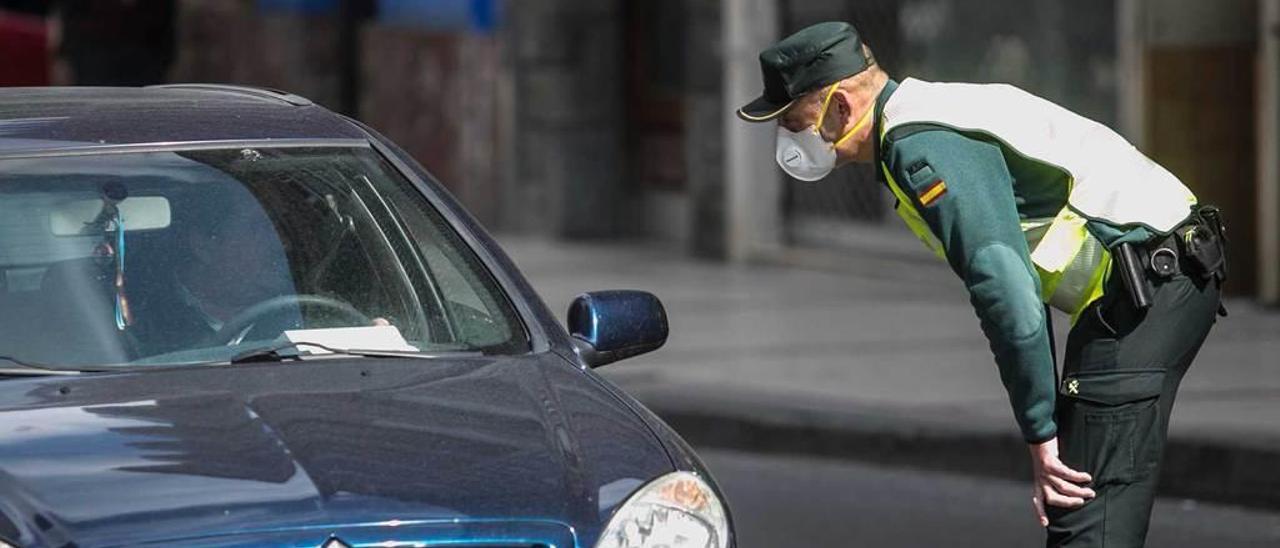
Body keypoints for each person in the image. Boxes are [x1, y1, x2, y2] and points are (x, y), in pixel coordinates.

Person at [736, 22, 1227, 547]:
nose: (789, 137)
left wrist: (1041, 432)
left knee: (1085, 516)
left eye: (794, 120)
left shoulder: (920, 147)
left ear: (840, 107)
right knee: (1093, 511)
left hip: (1149, 283)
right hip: (1158, 274)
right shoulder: (922, 115)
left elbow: (1007, 296)